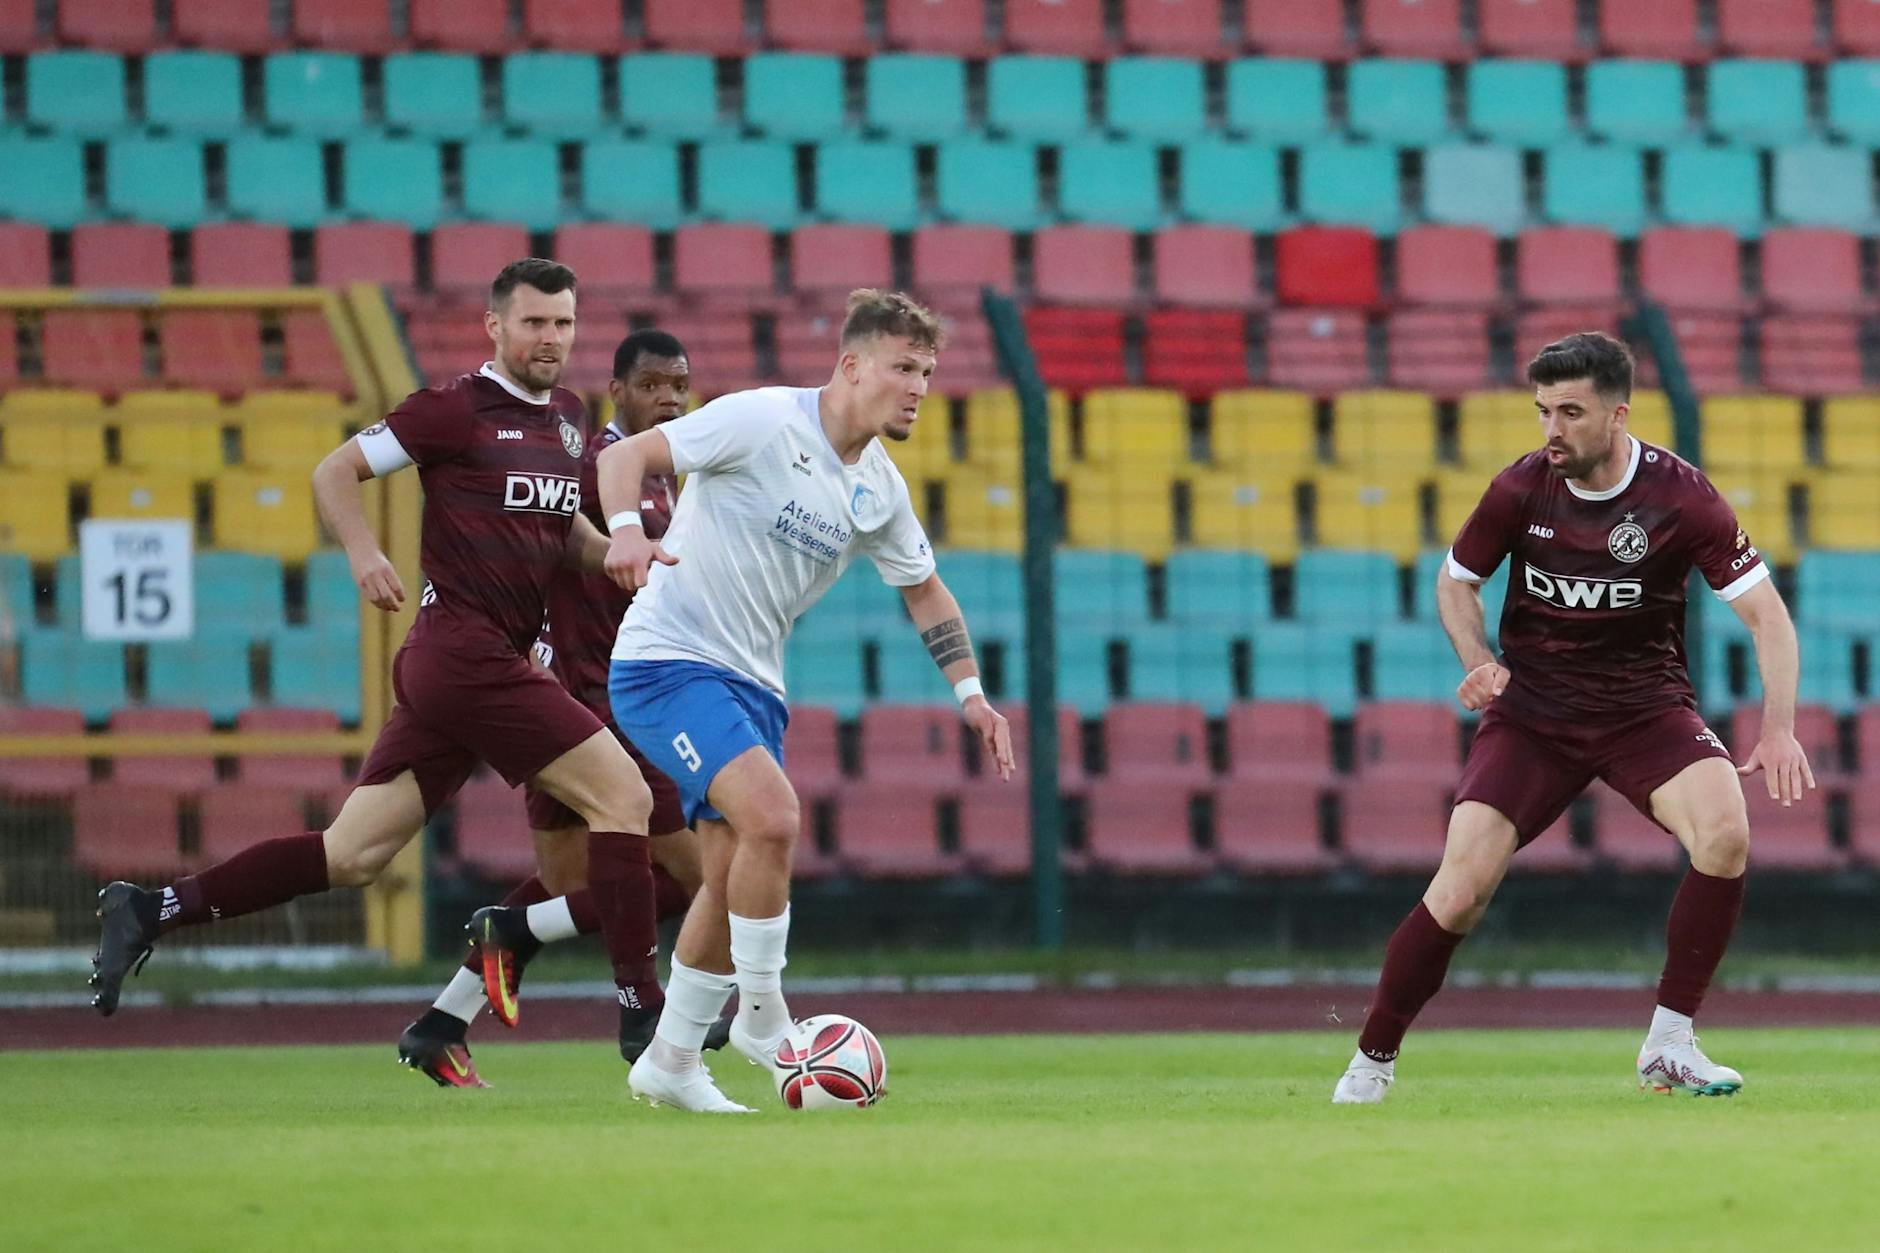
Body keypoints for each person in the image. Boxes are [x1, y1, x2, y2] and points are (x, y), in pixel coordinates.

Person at [89, 261, 665, 1046]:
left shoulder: (567, 417)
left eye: (563, 323)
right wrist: (363, 553)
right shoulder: (454, 409)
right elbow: (334, 470)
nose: (551, 338)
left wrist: (619, 556)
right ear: (495, 326)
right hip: (468, 653)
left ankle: (150, 908)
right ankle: (645, 1014)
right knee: (625, 799)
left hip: (459, 669)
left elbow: (559, 529)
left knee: (353, 852)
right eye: (534, 322)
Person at [1331, 332, 1814, 1105]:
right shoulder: (1520, 489)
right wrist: (1476, 660)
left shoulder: (1683, 497)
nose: (1551, 430)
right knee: (1459, 891)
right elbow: (1456, 584)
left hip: (1644, 708)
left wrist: (1779, 727)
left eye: (1570, 412)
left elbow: (1769, 618)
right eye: (1542, 411)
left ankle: (1671, 1042)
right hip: (1535, 713)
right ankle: (1371, 1061)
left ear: (1618, 415)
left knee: (1725, 834)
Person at [579, 288, 1015, 1113]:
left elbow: (925, 591)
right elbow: (621, 457)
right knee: (774, 818)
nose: (919, 385)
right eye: (902, 368)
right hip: (667, 662)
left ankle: (671, 1060)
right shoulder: (762, 420)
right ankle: (764, 1016)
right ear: (851, 366)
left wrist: (973, 695)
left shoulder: (878, 487)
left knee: (729, 873)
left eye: (926, 370)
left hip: (752, 685)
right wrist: (629, 530)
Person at [397, 330, 731, 1086]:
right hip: (602, 699)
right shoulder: (589, 471)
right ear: (619, 389)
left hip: (592, 699)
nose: (670, 398)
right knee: (711, 868)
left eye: (680, 383)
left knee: (577, 881)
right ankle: (694, 1011)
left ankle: (442, 1018)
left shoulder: (670, 477)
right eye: (652, 384)